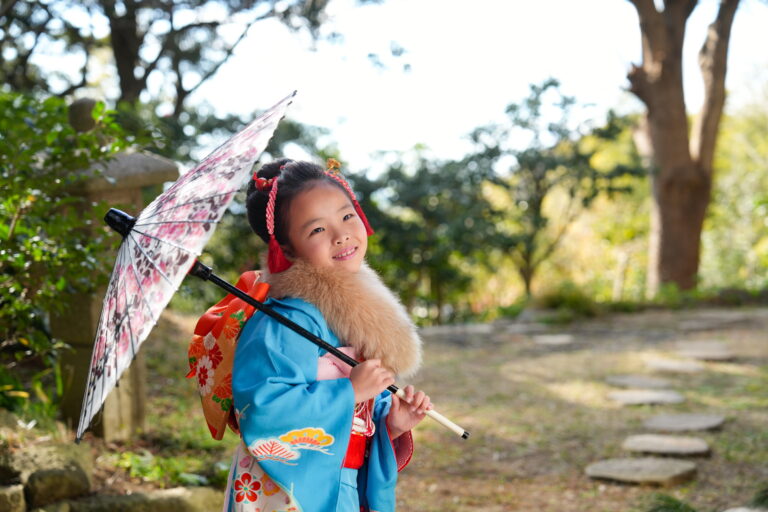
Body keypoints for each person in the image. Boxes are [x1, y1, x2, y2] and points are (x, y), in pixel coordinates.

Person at [222, 158, 431, 512]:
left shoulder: (348, 315)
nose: (342, 234)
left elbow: (359, 419)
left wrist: (388, 424)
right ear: (286, 249)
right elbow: (261, 408)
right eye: (317, 230)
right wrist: (349, 390)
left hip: (341, 483)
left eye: (347, 215)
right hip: (286, 488)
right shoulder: (282, 321)